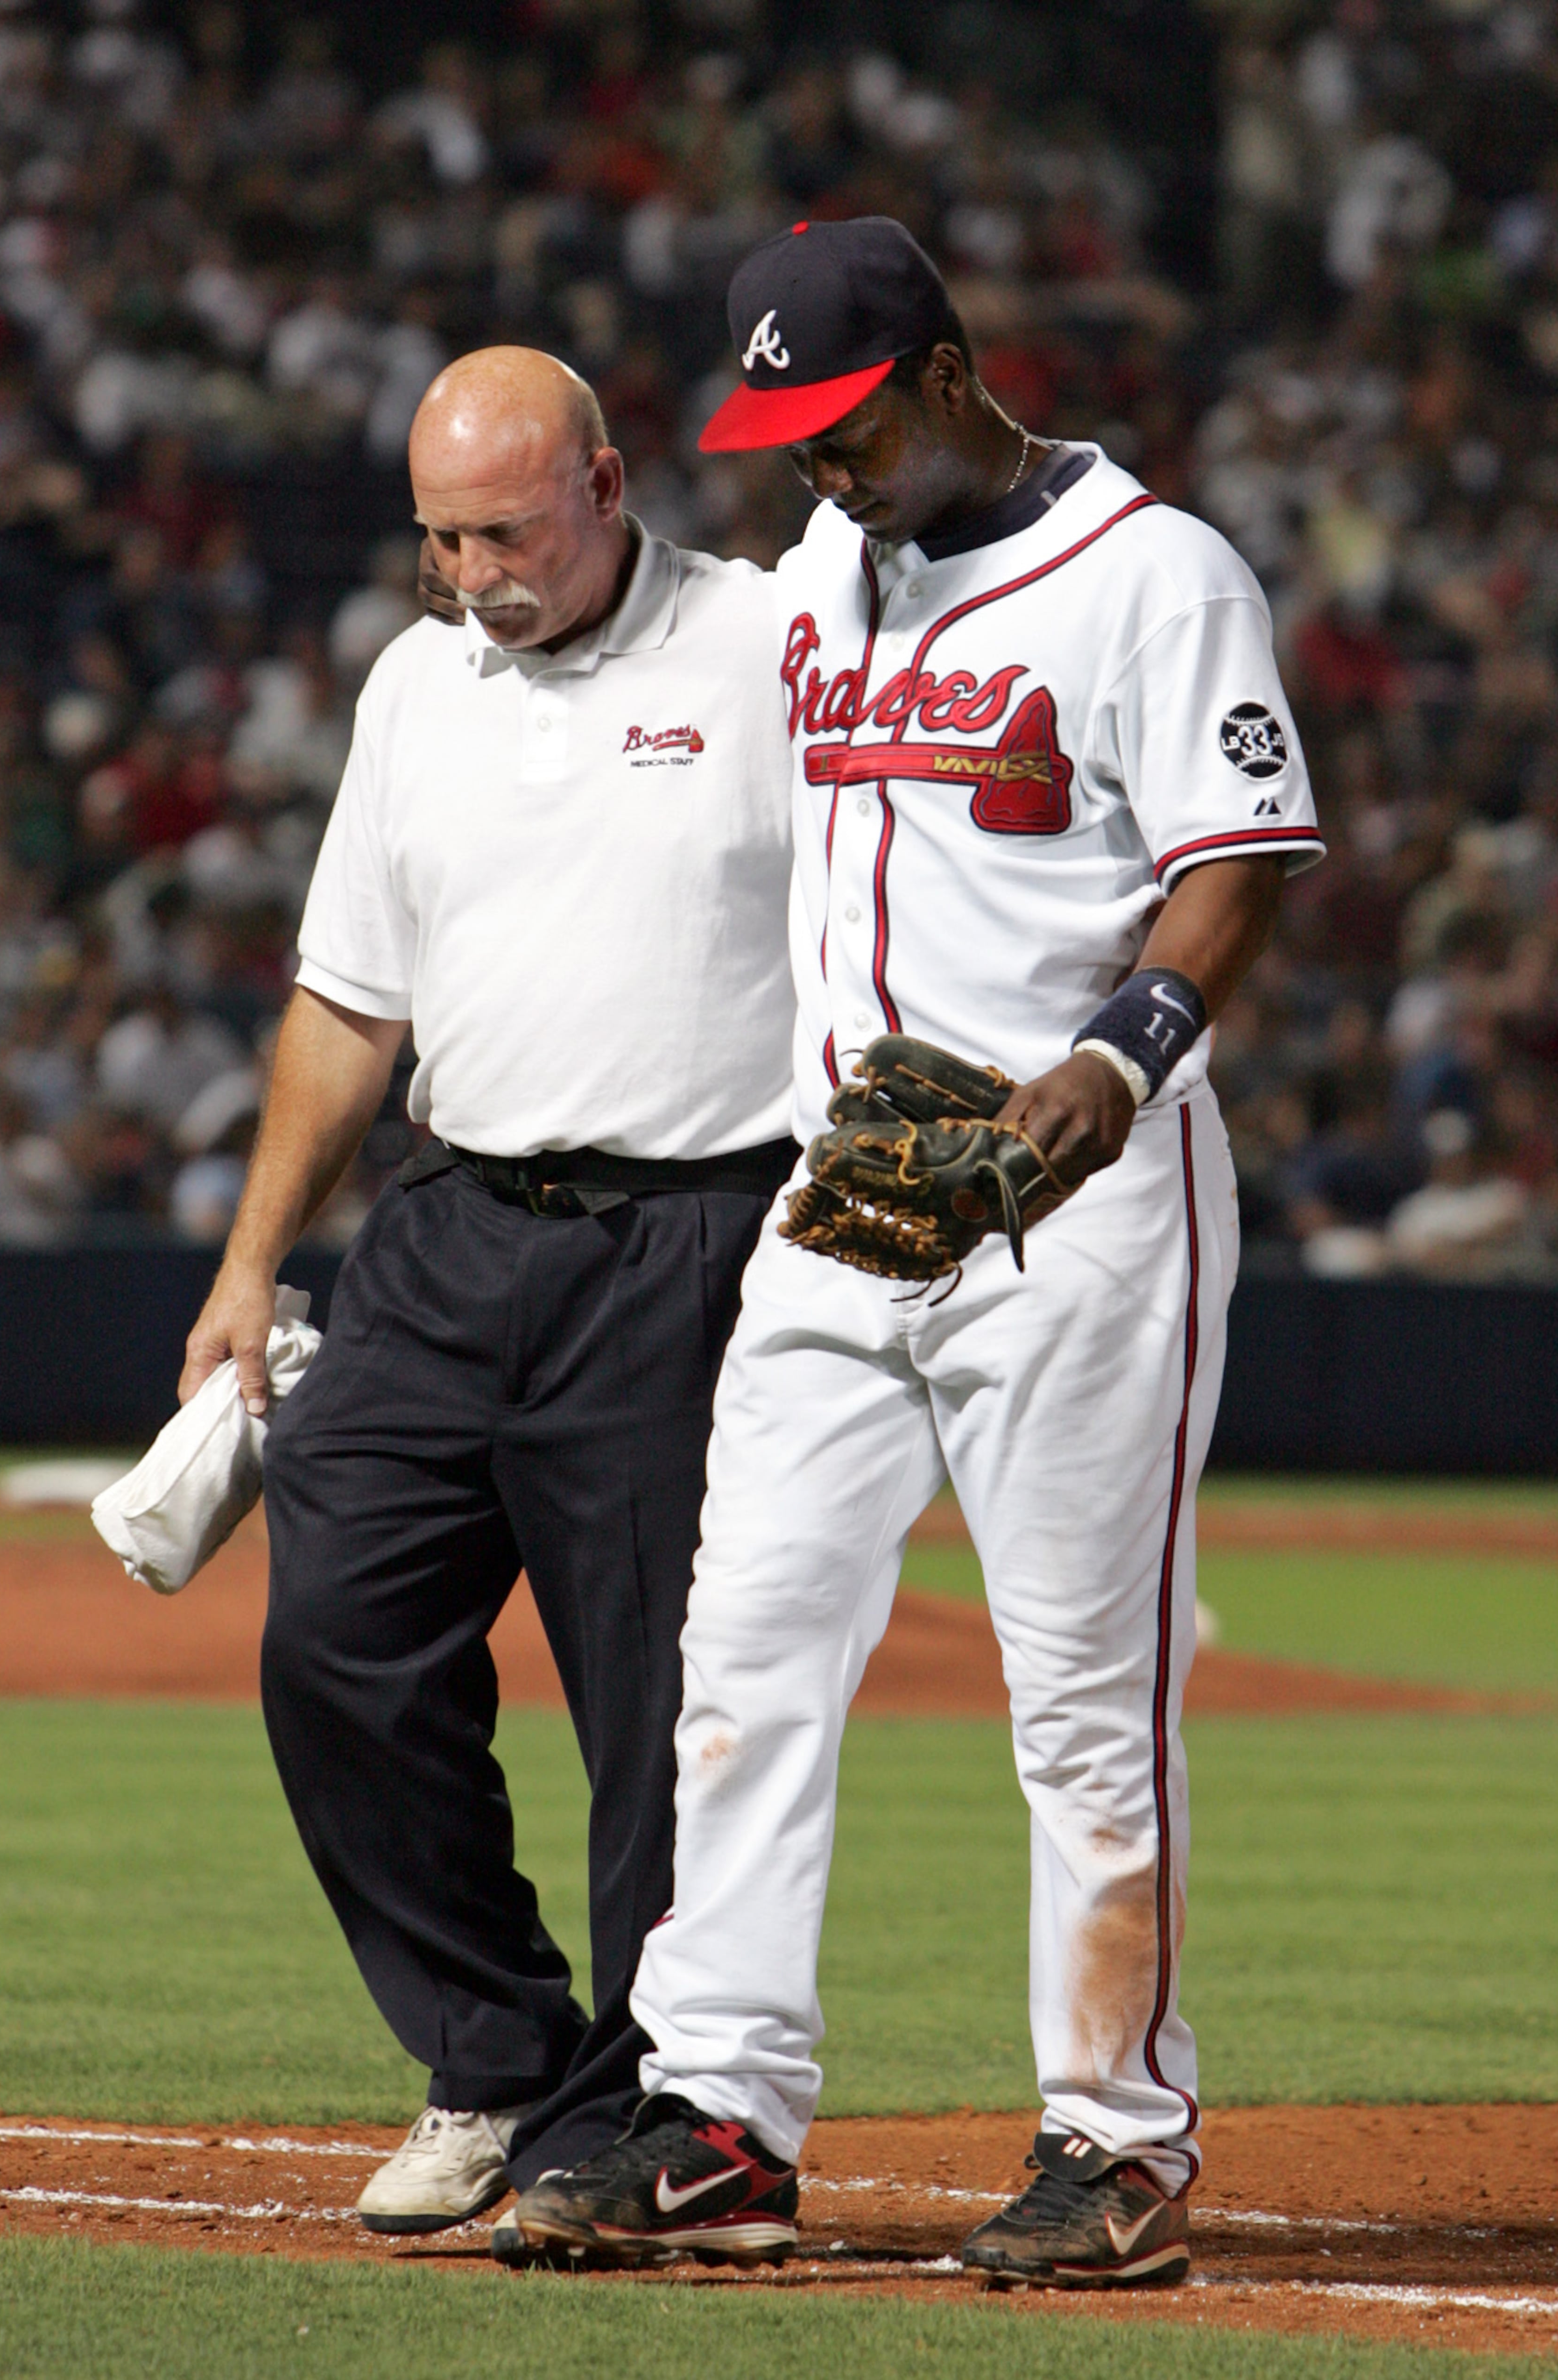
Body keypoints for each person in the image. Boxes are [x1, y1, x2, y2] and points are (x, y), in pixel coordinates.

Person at [509, 218, 1324, 2284]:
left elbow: (1244, 863)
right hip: (846, 1195)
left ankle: (1118, 2133)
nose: (821, 467)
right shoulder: (820, 578)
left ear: (950, 376)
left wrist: (1118, 1061)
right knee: (747, 1660)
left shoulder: (1155, 572)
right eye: (787, 436)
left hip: (1084, 1203)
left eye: (847, 424)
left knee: (1083, 1695)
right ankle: (718, 2113)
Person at [179, 347, 797, 2242]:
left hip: (687, 1235)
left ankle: (669, 2114)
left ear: (608, 483)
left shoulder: (772, 648)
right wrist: (250, 1253)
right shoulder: (414, 679)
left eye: (506, 533)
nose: (473, 576)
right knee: (335, 1633)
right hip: (446, 1230)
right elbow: (352, 993)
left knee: (658, 1708)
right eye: (443, 538)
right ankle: (502, 2051)